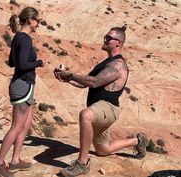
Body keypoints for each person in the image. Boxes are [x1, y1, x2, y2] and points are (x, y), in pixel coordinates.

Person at [54, 26, 148, 176]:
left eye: (109, 38)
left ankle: (82, 163)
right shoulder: (106, 63)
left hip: (108, 108)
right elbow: (85, 82)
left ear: (118, 43)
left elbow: (95, 82)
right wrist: (67, 79)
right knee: (102, 150)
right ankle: (137, 141)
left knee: (85, 115)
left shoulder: (118, 65)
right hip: (99, 110)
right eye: (105, 36)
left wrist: (71, 74)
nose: (105, 39)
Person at [0, 7, 45, 177]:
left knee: (26, 124)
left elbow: (11, 62)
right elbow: (20, 65)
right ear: (29, 20)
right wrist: (38, 63)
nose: (38, 24)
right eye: (37, 21)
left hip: (23, 84)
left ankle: (15, 160)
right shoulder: (25, 38)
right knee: (17, 126)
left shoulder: (17, 38)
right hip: (22, 85)